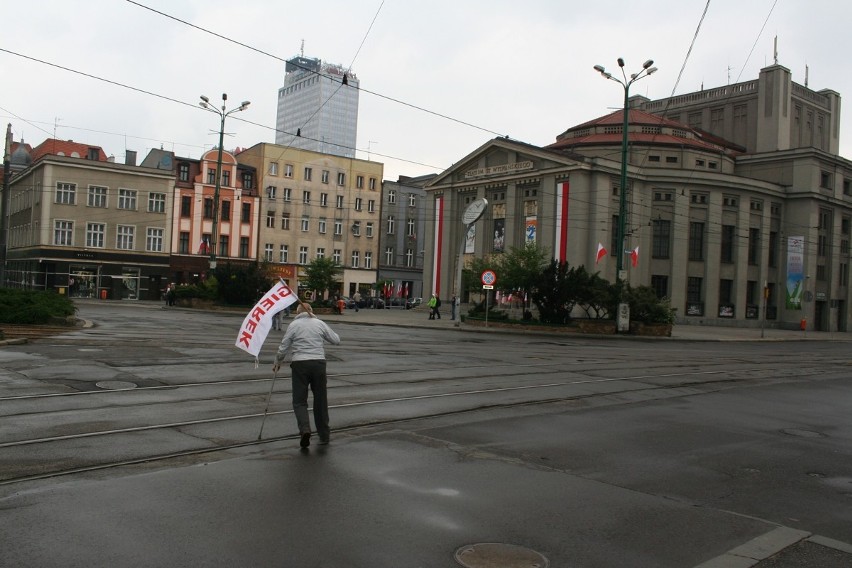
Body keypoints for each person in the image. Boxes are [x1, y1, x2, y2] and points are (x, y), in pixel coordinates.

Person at [273, 304, 341, 448]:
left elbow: (284, 346)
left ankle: (305, 429)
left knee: (299, 401)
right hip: (318, 364)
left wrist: (278, 361)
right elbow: (336, 340)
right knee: (320, 400)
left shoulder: (293, 325)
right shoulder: (319, 323)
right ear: (311, 311)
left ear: (297, 313)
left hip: (299, 365)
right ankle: (324, 435)